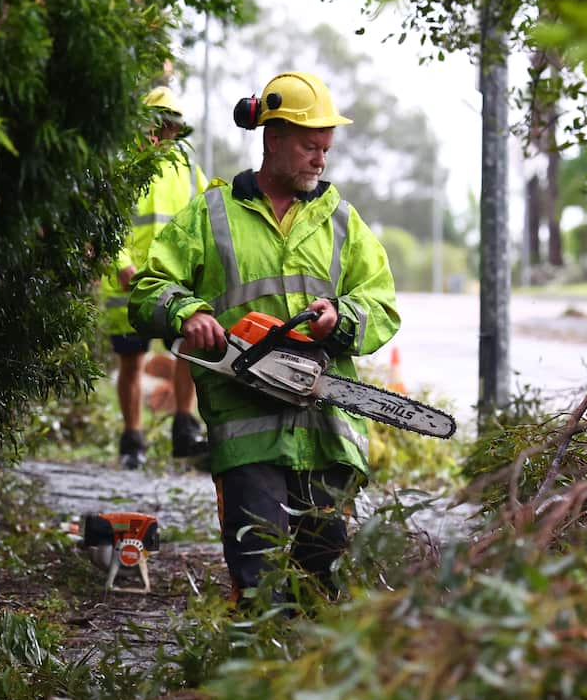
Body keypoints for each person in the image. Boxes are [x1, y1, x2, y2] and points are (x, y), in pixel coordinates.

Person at [129, 70, 400, 604]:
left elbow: (382, 305)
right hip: (248, 432)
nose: (320, 159)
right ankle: (257, 675)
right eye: (308, 146)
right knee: (259, 580)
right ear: (272, 138)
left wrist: (340, 318)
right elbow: (148, 288)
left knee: (324, 580)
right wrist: (187, 313)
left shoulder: (342, 222)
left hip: (325, 428)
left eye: (325, 148)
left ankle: (317, 679)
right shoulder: (211, 216)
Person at [100, 85, 209, 469]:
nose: (162, 133)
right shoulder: (124, 166)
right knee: (131, 362)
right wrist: (122, 265)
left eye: (169, 127)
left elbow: (205, 221)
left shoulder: (188, 171)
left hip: (175, 284)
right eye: (156, 125)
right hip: (129, 287)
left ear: (177, 130)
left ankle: (185, 426)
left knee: (189, 348)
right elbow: (106, 224)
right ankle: (133, 440)